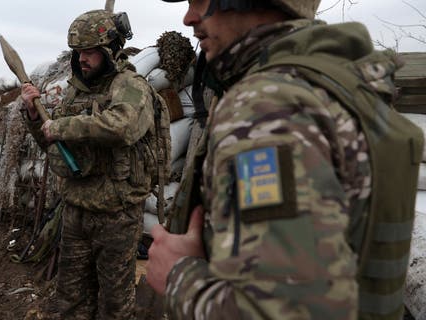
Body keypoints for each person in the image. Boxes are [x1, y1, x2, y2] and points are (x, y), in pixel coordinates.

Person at [146, 0, 422, 319]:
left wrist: (178, 276)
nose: (188, 17)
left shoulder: (270, 107)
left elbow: (287, 310)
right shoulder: (330, 86)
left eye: (200, 1)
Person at [20, 9, 160, 319]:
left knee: (114, 304)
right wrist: (33, 116)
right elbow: (52, 143)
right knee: (70, 299)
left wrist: (63, 126)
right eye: (78, 52)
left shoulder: (130, 85)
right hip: (76, 210)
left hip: (116, 215)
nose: (83, 59)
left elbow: (122, 127)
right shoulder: (76, 91)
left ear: (109, 50)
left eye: (90, 52)